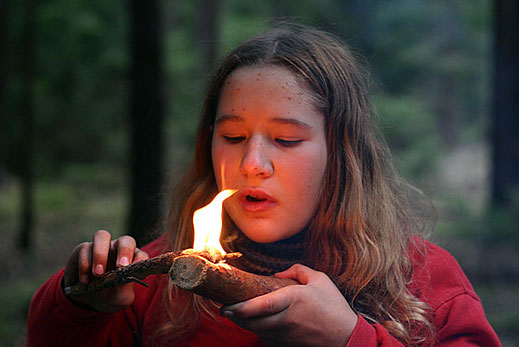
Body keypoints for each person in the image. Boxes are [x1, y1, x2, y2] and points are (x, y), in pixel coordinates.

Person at [27, 24, 500, 346]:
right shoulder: (156, 284)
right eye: (232, 136)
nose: (251, 164)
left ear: (342, 153)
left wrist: (347, 336)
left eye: (287, 140)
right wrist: (76, 306)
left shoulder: (424, 281)